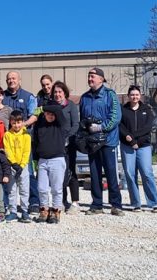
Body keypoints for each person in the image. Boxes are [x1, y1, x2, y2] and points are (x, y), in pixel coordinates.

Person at [80, 68, 124, 216]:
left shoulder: (110, 95)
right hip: (92, 142)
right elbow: (82, 118)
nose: (90, 79)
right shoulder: (84, 97)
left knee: (111, 174)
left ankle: (116, 205)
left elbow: (115, 117)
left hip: (108, 141)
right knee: (94, 174)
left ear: (101, 79)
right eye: (88, 76)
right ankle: (97, 204)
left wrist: (100, 127)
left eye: (92, 76)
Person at [119, 85, 157, 213]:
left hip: (143, 146)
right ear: (128, 96)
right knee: (130, 174)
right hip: (127, 146)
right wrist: (131, 141)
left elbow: (148, 128)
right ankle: (135, 203)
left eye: (137, 94)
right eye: (132, 94)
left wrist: (135, 139)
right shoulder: (123, 110)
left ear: (140, 95)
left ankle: (154, 203)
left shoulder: (146, 109)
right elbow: (120, 126)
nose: (134, 97)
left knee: (147, 173)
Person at [2, 71, 39, 212]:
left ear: (19, 80)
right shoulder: (3, 96)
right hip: (8, 140)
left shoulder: (28, 96)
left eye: (14, 78)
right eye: (9, 79)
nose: (11, 81)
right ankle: (8, 205)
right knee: (8, 173)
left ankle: (34, 202)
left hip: (24, 138)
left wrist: (22, 125)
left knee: (28, 171)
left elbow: (34, 115)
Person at [32, 102, 69, 224]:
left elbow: (57, 109)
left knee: (56, 188)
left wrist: (42, 108)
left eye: (53, 114)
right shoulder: (39, 125)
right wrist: (35, 160)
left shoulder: (60, 124)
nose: (51, 115)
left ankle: (56, 211)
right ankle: (44, 210)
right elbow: (35, 143)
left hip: (57, 160)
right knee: (42, 188)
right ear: (44, 114)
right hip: (42, 160)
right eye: (48, 113)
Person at [51, 81, 81, 214]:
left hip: (69, 144)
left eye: (60, 92)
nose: (57, 94)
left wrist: (68, 137)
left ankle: (75, 202)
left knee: (70, 172)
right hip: (56, 145)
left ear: (64, 93)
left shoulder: (71, 106)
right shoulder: (52, 107)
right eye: (55, 92)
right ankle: (62, 201)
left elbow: (76, 124)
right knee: (59, 174)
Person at [2, 110, 32, 223]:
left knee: (24, 190)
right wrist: (14, 163)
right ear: (10, 122)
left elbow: (26, 151)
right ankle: (13, 211)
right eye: (14, 123)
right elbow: (8, 150)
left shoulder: (26, 135)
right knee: (11, 190)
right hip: (11, 166)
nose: (16, 125)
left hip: (23, 167)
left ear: (22, 122)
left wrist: (22, 165)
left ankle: (24, 211)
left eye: (19, 122)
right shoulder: (7, 135)